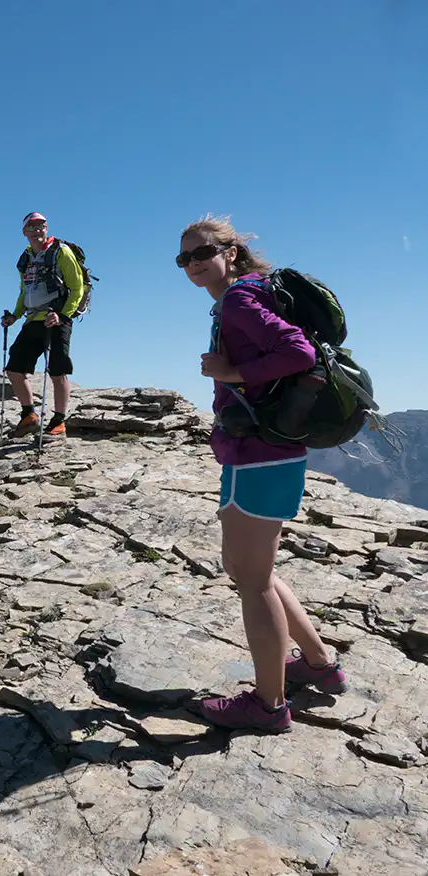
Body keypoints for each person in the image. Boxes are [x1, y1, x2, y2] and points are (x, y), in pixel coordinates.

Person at [181, 214, 349, 733]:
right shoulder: (239, 297)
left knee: (251, 581)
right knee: (254, 571)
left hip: (262, 452)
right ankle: (320, 667)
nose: (192, 264)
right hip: (254, 449)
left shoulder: (238, 298)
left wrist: (232, 372)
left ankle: (269, 706)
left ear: (230, 252)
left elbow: (297, 352)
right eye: (183, 257)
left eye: (202, 252)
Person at [1, 212, 84, 438]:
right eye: (33, 225)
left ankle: (59, 421)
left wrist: (63, 315)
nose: (38, 229)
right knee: (14, 368)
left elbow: (77, 288)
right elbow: (24, 292)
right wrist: (15, 316)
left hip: (57, 318)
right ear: (25, 231)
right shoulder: (25, 258)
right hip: (33, 320)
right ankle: (29, 415)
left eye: (42, 225)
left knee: (58, 370)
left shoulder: (60, 252)